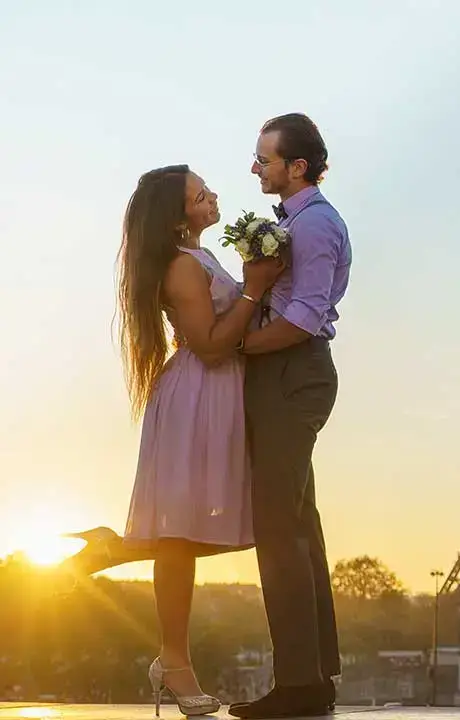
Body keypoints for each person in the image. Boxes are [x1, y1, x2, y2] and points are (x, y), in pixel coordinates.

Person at [62, 164, 286, 717]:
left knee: (191, 532)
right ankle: (174, 660)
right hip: (199, 396)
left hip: (216, 396)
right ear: (178, 214)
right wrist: (254, 289)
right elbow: (210, 345)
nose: (212, 195)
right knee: (182, 537)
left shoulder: (200, 259)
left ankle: (117, 551)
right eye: (199, 193)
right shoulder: (183, 268)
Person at [226, 112, 352, 720]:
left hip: (292, 371)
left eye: (264, 159)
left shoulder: (317, 224)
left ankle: (299, 685)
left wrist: (236, 347)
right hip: (286, 372)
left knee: (279, 530)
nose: (254, 168)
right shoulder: (291, 223)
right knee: (297, 527)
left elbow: (304, 317)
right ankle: (313, 678)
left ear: (296, 166)